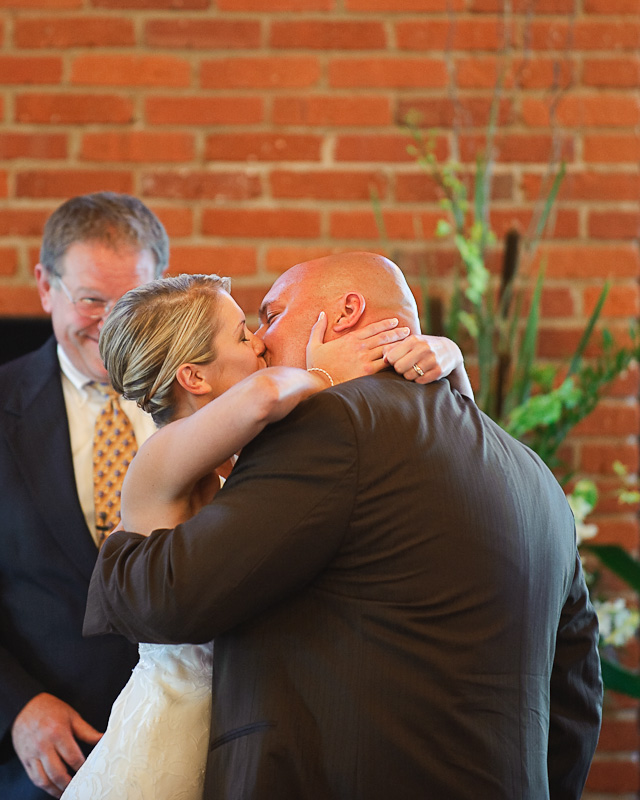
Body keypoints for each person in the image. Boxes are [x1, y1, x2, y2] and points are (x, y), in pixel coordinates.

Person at [84, 251, 602, 799]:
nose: (262, 340)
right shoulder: (534, 475)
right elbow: (575, 691)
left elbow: (169, 597)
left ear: (348, 311)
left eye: (272, 315)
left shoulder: (332, 425)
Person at [62, 272, 463, 799]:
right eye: (241, 334)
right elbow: (266, 394)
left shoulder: (254, 453)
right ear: (193, 377)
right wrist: (323, 372)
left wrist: (449, 357)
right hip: (176, 723)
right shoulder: (161, 457)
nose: (261, 342)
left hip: (249, 723)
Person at [0, 192, 169, 799]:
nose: (112, 323)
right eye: (92, 299)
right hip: (46, 762)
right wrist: (16, 708)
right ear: (46, 287)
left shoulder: (211, 400)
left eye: (132, 302)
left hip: (194, 748)